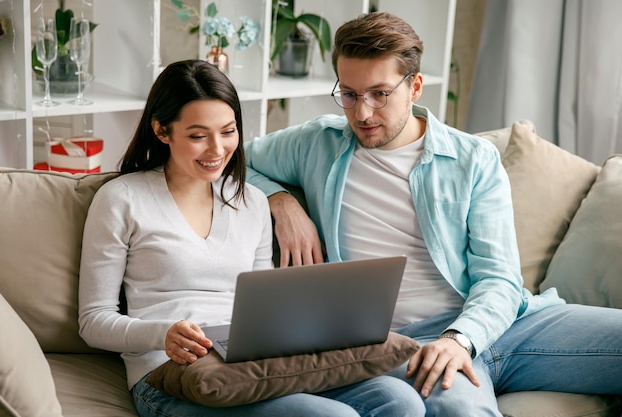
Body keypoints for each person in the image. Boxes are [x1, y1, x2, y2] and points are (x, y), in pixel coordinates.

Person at [244, 12, 622, 416]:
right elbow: (232, 159)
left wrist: (462, 338)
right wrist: (280, 200)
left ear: (415, 86)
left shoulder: (473, 159)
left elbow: (499, 277)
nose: (362, 114)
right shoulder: (316, 143)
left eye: (379, 94)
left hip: (502, 324)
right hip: (410, 343)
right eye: (350, 94)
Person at [77, 59, 422, 417]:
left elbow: (262, 303)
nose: (217, 150)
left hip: (251, 364)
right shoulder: (122, 199)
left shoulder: (251, 201)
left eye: (228, 131)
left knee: (400, 400)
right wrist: (162, 334)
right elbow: (93, 321)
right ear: (162, 131)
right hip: (169, 376)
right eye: (198, 136)